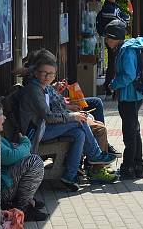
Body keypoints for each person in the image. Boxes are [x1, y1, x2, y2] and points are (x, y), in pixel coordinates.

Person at [18, 49, 116, 191]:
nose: (48, 77)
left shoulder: (42, 87)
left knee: (79, 133)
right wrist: (72, 116)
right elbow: (49, 117)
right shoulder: (34, 90)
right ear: (35, 72)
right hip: (36, 133)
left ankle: (69, 176)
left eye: (51, 74)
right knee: (78, 121)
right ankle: (95, 155)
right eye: (44, 73)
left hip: (44, 127)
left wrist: (69, 111)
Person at [0, 99, 47, 222]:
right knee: (35, 162)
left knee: (30, 159)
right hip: (0, 191)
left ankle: (24, 202)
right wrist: (25, 142)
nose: (4, 118)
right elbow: (9, 156)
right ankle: (22, 209)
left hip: (2, 185)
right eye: (1, 114)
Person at [106, 19, 143, 180]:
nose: (106, 41)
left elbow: (129, 74)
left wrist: (114, 84)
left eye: (107, 37)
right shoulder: (127, 48)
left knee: (130, 134)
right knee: (134, 132)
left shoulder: (126, 51)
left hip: (130, 98)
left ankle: (128, 167)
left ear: (114, 37)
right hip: (134, 96)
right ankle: (138, 166)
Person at [96, 0, 129, 94]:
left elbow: (124, 18)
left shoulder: (114, 7)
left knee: (114, 63)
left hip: (115, 39)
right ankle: (111, 87)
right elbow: (122, 19)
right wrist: (125, 19)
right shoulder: (108, 9)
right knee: (114, 64)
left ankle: (111, 86)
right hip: (111, 40)